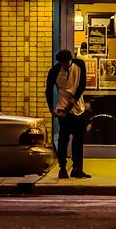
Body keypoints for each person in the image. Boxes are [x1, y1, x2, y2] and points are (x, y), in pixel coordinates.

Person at [45, 50, 89, 179]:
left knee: (78, 141)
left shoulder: (79, 65)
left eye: (66, 62)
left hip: (77, 108)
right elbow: (48, 90)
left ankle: (77, 169)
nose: (65, 65)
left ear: (71, 59)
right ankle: (62, 168)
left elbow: (81, 86)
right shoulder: (54, 71)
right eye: (62, 63)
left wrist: (69, 107)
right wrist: (51, 109)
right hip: (63, 110)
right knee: (63, 141)